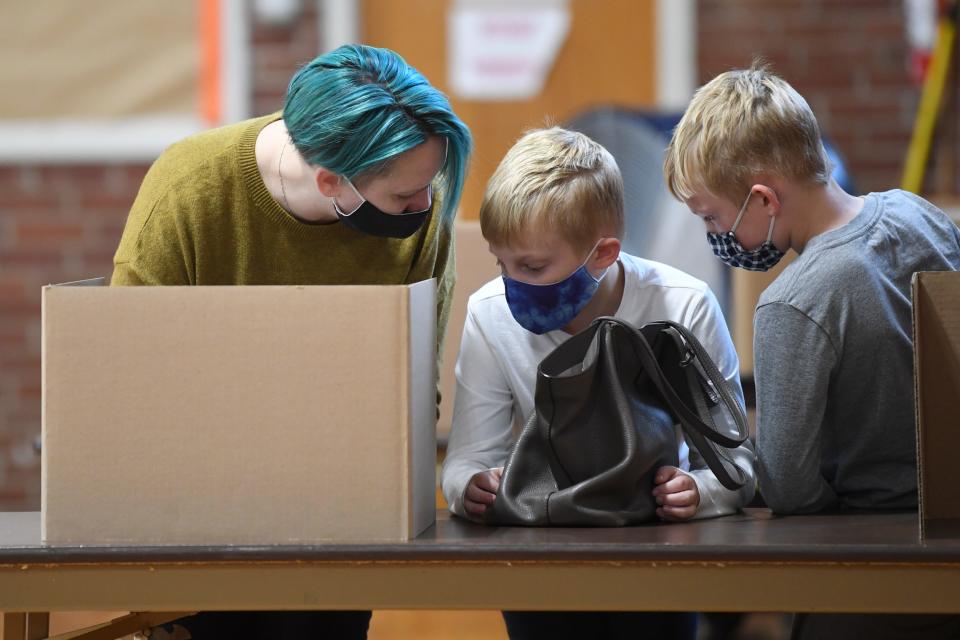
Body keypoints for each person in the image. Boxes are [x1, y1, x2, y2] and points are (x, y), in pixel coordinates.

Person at [112, 44, 471, 640]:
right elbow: (128, 375)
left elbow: (414, 386)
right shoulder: (191, 190)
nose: (424, 206)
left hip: (343, 502)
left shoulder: (420, 207)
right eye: (403, 197)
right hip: (197, 506)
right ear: (331, 179)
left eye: (429, 186)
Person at [663, 62, 960, 640]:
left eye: (713, 217)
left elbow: (790, 486)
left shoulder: (792, 303)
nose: (716, 234)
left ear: (763, 200)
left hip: (867, 571)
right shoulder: (920, 215)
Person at [440, 127, 756, 640]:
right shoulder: (489, 313)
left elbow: (736, 465)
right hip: (538, 558)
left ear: (604, 254)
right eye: (502, 263)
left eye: (533, 266)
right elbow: (466, 458)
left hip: (656, 555)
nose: (511, 283)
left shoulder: (683, 304)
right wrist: (468, 487)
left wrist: (700, 491)